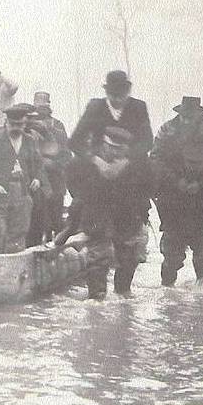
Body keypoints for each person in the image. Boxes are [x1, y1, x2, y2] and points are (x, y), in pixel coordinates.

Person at [151, 96, 203, 286]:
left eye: (191, 117)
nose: (187, 121)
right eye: (184, 116)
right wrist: (176, 182)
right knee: (171, 256)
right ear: (179, 114)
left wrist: (201, 184)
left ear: (198, 115)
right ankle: (167, 295)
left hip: (201, 203)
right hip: (174, 201)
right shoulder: (167, 130)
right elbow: (155, 159)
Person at [65, 126, 152, 299]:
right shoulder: (87, 160)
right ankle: (96, 298)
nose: (115, 152)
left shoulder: (137, 162)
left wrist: (139, 205)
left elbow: (150, 183)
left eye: (120, 149)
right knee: (98, 256)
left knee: (129, 257)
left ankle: (122, 292)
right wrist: (84, 198)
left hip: (127, 213)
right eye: (111, 147)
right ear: (104, 144)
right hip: (97, 212)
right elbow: (72, 177)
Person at [0, 103, 48, 253]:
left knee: (19, 232)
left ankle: (15, 268)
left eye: (20, 124)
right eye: (13, 124)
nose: (16, 128)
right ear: (6, 122)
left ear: (25, 123)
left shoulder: (30, 141)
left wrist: (37, 178)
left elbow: (39, 165)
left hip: (22, 193)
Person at [69, 69, 153, 161]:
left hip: (129, 161)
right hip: (100, 160)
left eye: (122, 95)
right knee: (75, 165)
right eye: (114, 95)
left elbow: (147, 141)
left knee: (147, 167)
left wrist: (127, 159)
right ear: (107, 93)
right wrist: (94, 159)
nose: (118, 100)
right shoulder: (95, 107)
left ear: (128, 92)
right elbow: (74, 141)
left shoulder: (138, 107)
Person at [26, 91, 72, 245]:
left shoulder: (58, 126)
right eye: (38, 108)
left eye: (44, 107)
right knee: (37, 221)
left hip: (56, 181)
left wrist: (53, 164)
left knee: (56, 221)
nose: (41, 111)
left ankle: (58, 253)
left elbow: (66, 154)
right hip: (36, 182)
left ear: (49, 107)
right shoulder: (28, 127)